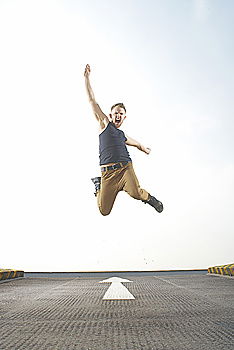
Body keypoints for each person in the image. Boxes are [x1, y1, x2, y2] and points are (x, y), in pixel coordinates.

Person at [84, 64, 163, 216]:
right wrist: (87, 78)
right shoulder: (104, 124)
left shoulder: (122, 135)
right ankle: (98, 186)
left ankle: (151, 199)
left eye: (121, 113)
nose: (118, 116)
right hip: (107, 174)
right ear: (111, 115)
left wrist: (145, 149)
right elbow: (92, 101)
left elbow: (137, 144)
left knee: (136, 193)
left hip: (125, 168)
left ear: (124, 116)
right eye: (116, 113)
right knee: (104, 211)